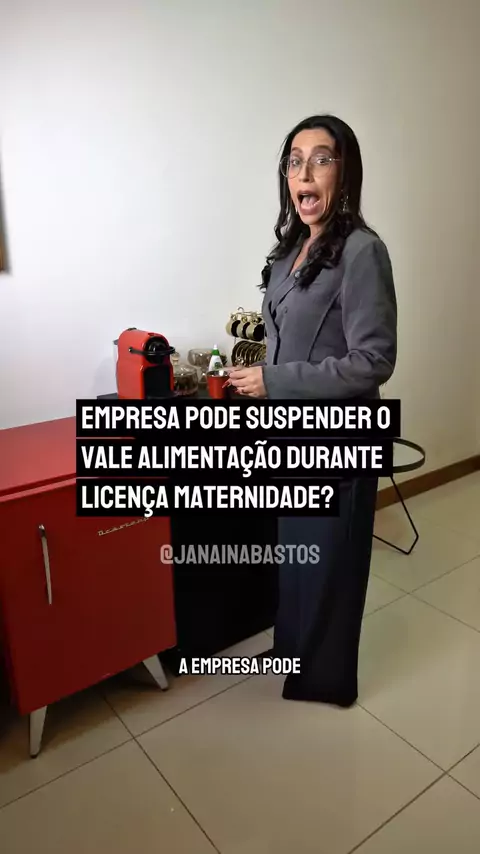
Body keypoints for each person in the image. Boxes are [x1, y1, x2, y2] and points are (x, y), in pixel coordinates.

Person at [227, 114, 397, 706]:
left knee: (331, 561)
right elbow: (287, 335)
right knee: (297, 553)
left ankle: (325, 678)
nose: (305, 172)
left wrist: (274, 381)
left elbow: (373, 361)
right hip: (290, 432)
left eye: (321, 159)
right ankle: (293, 646)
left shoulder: (363, 252)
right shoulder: (288, 253)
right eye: (294, 161)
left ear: (344, 173)